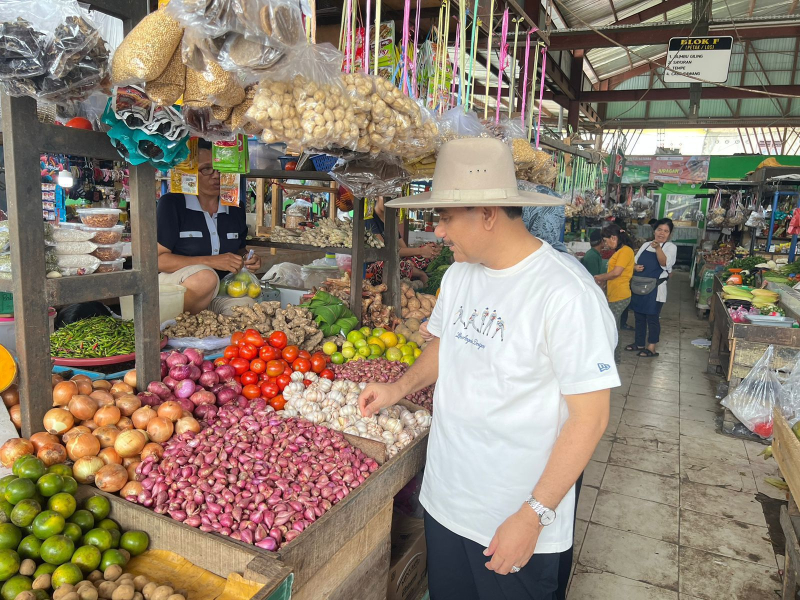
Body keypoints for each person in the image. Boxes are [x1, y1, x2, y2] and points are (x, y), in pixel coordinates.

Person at [358, 138, 620, 600]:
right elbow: (446, 347)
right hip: (445, 502)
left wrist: (533, 514)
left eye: (444, 217)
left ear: (487, 214)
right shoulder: (460, 275)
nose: (438, 232)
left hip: (512, 517)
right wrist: (398, 388)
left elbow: (590, 417)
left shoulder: (565, 293)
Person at [156, 139, 261, 314]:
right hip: (178, 286)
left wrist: (248, 259)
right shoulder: (173, 204)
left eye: (222, 170)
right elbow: (159, 260)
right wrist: (211, 262)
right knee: (205, 278)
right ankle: (175, 326)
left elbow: (240, 250)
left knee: (248, 309)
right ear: (190, 172)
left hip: (219, 292)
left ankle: (205, 322)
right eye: (206, 169)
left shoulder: (236, 207)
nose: (216, 175)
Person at [625, 218, 677, 358]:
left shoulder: (670, 247)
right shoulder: (646, 245)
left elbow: (665, 263)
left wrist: (658, 248)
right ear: (654, 230)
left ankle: (652, 347)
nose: (661, 233)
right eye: (659, 229)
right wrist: (635, 267)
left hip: (656, 289)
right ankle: (639, 343)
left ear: (670, 234)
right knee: (639, 316)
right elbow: (634, 261)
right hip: (639, 285)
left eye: (666, 231)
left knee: (652, 318)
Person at [365, 197, 440, 285]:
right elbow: (386, 251)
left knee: (431, 246)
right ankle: (420, 274)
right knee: (398, 264)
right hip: (376, 267)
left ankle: (411, 269)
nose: (390, 202)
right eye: (386, 198)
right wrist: (421, 251)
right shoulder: (369, 219)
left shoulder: (390, 221)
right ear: (376, 196)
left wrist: (410, 259)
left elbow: (403, 248)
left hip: (395, 258)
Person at [594, 224, 635, 364]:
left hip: (621, 295)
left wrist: (600, 277)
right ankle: (614, 359)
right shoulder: (620, 251)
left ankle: (611, 359)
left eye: (605, 240)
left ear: (613, 237)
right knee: (614, 327)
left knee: (610, 328)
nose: (605, 244)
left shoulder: (625, 251)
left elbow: (617, 273)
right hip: (615, 294)